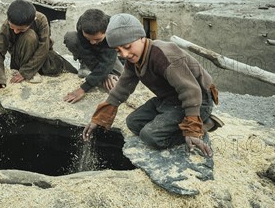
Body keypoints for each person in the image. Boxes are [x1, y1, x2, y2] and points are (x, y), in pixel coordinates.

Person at [82, 13, 223, 157]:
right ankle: (179, 121)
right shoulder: (135, 59)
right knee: (133, 123)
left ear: (142, 38)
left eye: (127, 47)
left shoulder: (164, 55)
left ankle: (205, 123)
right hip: (170, 99)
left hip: (199, 100)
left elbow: (190, 90)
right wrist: (99, 118)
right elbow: (123, 86)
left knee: (151, 136)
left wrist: (192, 127)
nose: (124, 54)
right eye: (118, 50)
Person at [0, 0, 76, 92]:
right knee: (29, 36)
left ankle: (34, 71)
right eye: (12, 27)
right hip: (20, 59)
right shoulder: (7, 24)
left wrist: (26, 72)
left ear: (32, 21)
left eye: (21, 29)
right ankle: (29, 71)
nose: (15, 31)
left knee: (62, 66)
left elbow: (43, 48)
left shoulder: (41, 19)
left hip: (39, 58)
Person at [62, 9, 123, 103]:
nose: (92, 42)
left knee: (120, 75)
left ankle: (98, 72)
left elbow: (107, 62)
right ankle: (85, 65)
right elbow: (85, 51)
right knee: (71, 37)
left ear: (106, 32)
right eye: (88, 38)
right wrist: (101, 76)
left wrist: (105, 73)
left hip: (107, 52)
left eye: (97, 39)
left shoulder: (113, 31)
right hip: (90, 52)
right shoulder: (81, 24)